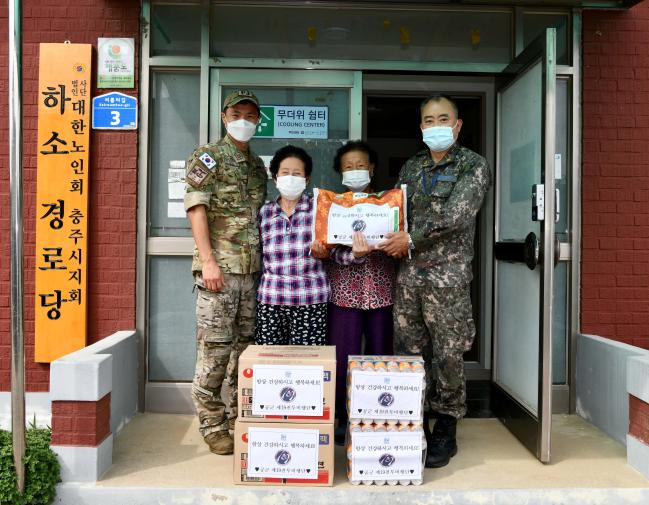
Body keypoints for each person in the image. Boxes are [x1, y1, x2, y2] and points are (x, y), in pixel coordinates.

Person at [378, 94, 491, 468]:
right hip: (409, 275)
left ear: (457, 125)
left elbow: (458, 213)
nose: (436, 125)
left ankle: (445, 424)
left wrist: (409, 238)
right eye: (429, 120)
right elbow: (394, 210)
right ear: (421, 127)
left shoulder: (473, 165)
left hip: (447, 279)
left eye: (444, 119)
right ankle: (414, 419)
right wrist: (382, 234)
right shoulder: (411, 167)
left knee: (447, 353)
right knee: (409, 352)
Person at [184, 90, 267, 455]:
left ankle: (238, 416)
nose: (244, 120)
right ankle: (212, 422)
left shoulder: (257, 166)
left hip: (252, 274)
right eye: (238, 113)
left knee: (244, 351)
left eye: (251, 115)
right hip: (219, 272)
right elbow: (196, 208)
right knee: (215, 350)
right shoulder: (208, 157)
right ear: (224, 116)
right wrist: (208, 261)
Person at [321, 141, 395, 442]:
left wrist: (389, 244)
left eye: (361, 165)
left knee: (380, 358)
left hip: (381, 293)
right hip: (344, 294)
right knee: (342, 358)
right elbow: (328, 252)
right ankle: (341, 417)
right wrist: (356, 255)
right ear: (340, 172)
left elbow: (400, 247)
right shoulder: (331, 207)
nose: (355, 171)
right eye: (349, 167)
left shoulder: (390, 204)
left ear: (372, 168)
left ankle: (375, 416)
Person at [255, 145, 330, 345]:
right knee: (270, 363)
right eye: (285, 173)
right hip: (271, 298)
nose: (290, 178)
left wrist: (328, 253)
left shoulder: (319, 210)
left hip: (310, 298)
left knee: (308, 365)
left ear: (307, 180)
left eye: (297, 174)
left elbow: (337, 252)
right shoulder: (265, 212)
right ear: (275, 177)